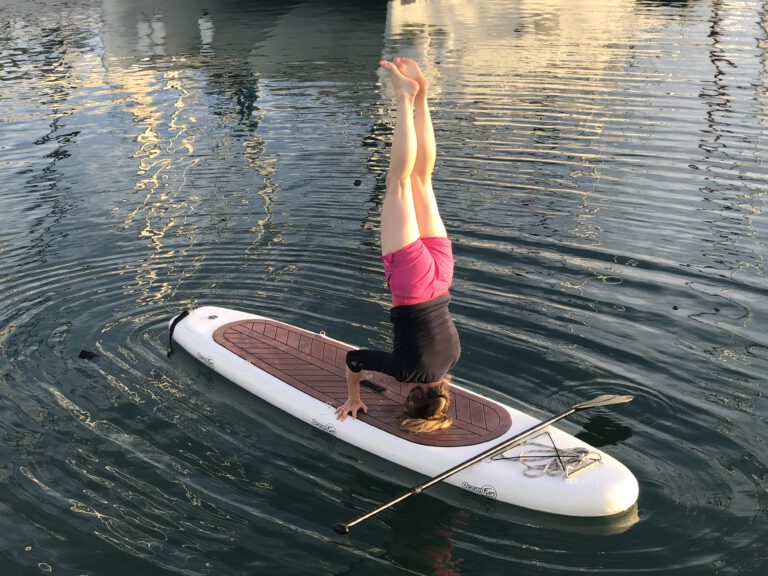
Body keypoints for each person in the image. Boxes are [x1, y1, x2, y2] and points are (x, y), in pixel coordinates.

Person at [334, 57, 461, 434]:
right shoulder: (406, 372)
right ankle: (405, 98)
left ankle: (421, 97)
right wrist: (354, 397)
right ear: (411, 397)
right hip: (412, 283)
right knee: (398, 182)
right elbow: (354, 360)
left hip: (442, 276)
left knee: (422, 179)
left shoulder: (450, 360)